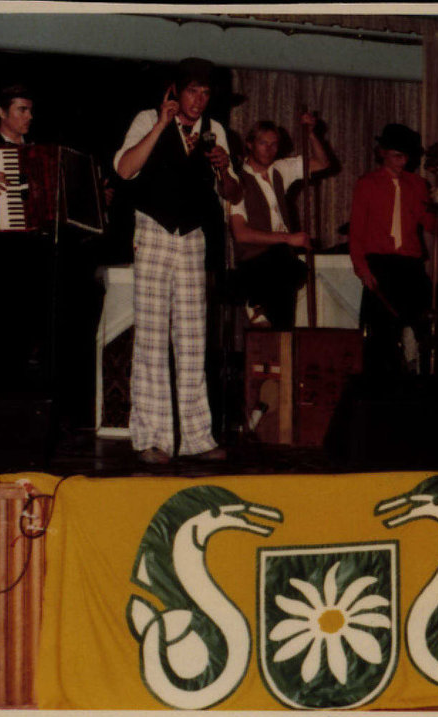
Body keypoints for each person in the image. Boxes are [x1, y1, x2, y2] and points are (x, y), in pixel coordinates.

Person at [114, 58, 242, 464]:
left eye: (205, 93)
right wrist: (160, 125)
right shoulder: (147, 118)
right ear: (175, 90)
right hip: (152, 230)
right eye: (192, 91)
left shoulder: (215, 130)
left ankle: (197, 437)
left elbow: (234, 194)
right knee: (151, 337)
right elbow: (124, 169)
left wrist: (224, 170)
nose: (199, 100)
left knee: (191, 341)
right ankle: (152, 438)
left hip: (193, 237)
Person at [348, 123, 438, 375]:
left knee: (426, 326)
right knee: (380, 335)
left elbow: (433, 226)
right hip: (380, 264)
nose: (402, 161)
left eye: (406, 156)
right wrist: (362, 268)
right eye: (396, 156)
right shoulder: (366, 184)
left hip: (410, 265)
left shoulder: (417, 185)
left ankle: (421, 382)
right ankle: (380, 391)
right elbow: (356, 232)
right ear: (382, 153)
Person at [0, 84, 55, 402]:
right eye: (21, 110)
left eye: (30, 110)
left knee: (32, 329)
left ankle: (28, 402)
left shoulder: (41, 153)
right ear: (1, 112)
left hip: (35, 252)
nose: (29, 116)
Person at [228, 115, 330, 329]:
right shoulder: (236, 181)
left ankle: (261, 314)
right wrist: (288, 238)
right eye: (263, 143)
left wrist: (311, 133)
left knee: (283, 324)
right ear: (249, 144)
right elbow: (241, 234)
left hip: (281, 259)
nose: (269, 149)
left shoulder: (280, 169)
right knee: (284, 267)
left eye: (274, 144)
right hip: (256, 260)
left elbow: (322, 162)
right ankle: (255, 304)